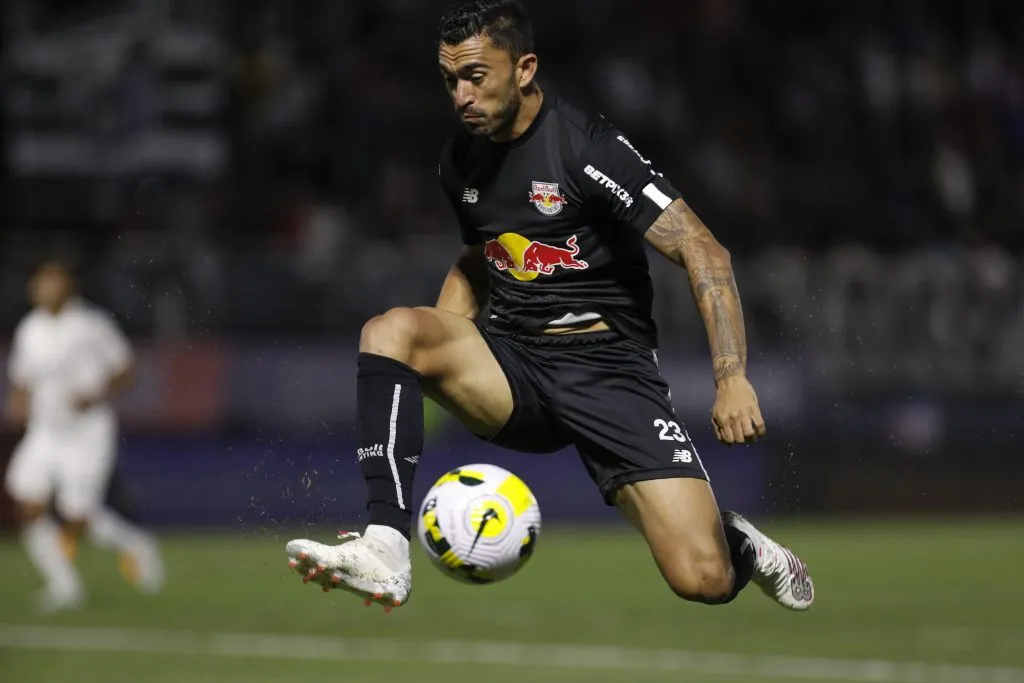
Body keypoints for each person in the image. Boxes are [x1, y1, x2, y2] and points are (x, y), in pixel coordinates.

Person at [286, 0, 813, 613]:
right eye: (450, 80)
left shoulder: (587, 147)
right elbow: (483, 258)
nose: (461, 96)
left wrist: (732, 377)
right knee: (391, 331)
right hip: (515, 367)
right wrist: (438, 362)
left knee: (704, 579)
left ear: (525, 68)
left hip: (609, 372)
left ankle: (738, 544)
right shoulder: (461, 159)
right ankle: (385, 548)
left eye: (475, 76)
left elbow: (703, 250)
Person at [4, 260, 165, 613]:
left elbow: (126, 368)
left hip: (86, 430)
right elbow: (21, 377)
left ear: (68, 287)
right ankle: (65, 586)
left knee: (78, 515)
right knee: (28, 504)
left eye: (52, 282)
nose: (44, 289)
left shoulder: (92, 324)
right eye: (40, 283)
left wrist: (96, 394)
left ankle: (137, 544)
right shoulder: (30, 328)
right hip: (44, 430)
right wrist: (18, 404)